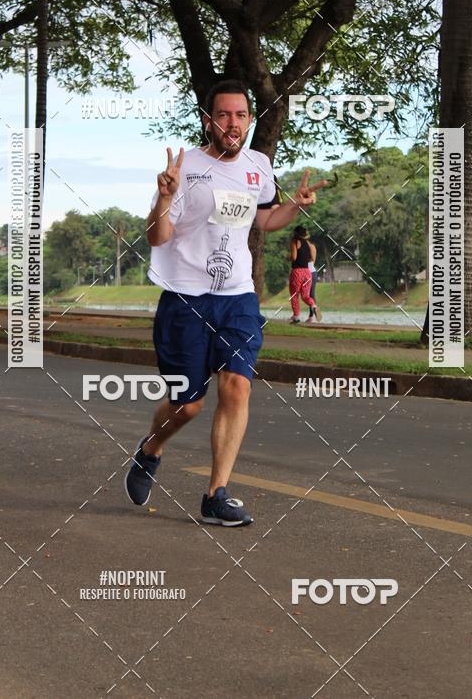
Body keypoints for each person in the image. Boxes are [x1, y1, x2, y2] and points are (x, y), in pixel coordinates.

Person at [125, 80, 327, 526]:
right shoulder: (184, 168)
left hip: (237, 296)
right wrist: (165, 197)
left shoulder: (259, 165)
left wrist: (294, 205)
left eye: (240, 115)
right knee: (188, 404)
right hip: (186, 297)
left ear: (250, 120)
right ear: (208, 120)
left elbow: (265, 219)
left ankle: (217, 494)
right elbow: (157, 236)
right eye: (223, 115)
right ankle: (150, 449)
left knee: (237, 385)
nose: (232, 124)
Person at [289, 225, 321, 324]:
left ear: (295, 233)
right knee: (306, 295)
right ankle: (313, 306)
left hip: (297, 272)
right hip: (307, 272)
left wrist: (288, 258)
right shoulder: (308, 244)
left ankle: (296, 317)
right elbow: (312, 258)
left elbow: (294, 257)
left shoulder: (295, 242)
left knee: (294, 295)